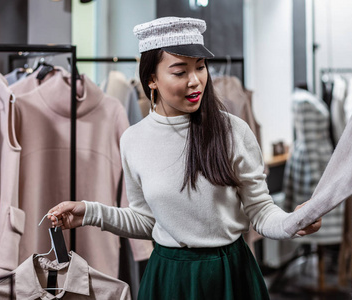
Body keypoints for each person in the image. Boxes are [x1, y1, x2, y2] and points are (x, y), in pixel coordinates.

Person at [47, 16, 321, 300]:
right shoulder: (133, 140)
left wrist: (292, 222)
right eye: (180, 72)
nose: (195, 82)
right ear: (151, 79)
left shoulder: (232, 131)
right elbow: (147, 220)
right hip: (169, 277)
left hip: (229, 273)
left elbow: (260, 210)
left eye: (200, 68)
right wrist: (89, 212)